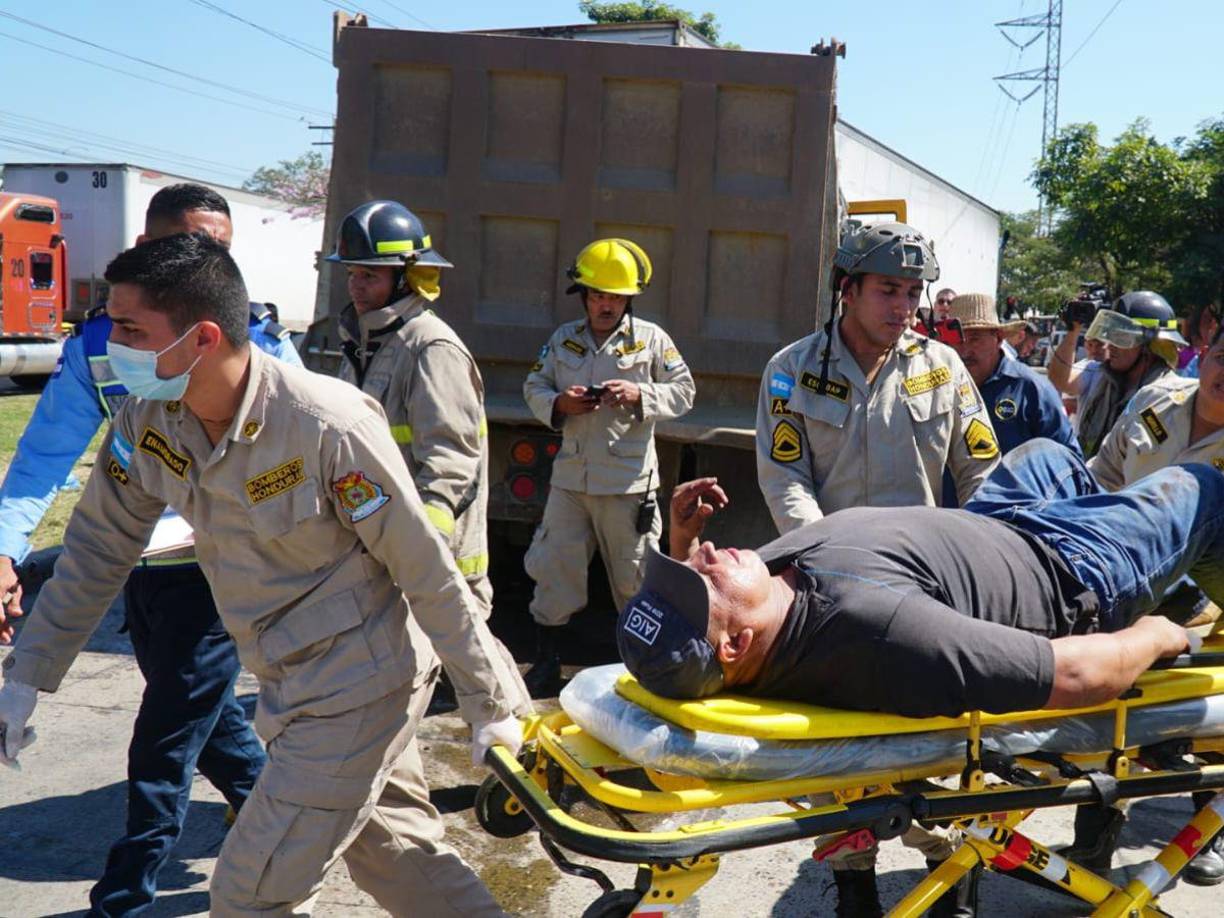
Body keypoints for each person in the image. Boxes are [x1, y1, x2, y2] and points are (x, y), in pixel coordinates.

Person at [0, 233, 530, 916]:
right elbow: (97, 551)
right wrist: (27, 677)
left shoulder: (324, 426)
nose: (113, 345)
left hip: (362, 679)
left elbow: (426, 568)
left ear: (201, 337)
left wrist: (491, 702)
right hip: (286, 678)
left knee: (250, 894)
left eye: (130, 329)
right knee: (399, 858)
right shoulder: (149, 419)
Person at [0, 183, 301, 916]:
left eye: (220, 248)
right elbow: (43, 459)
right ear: (147, 247)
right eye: (191, 243)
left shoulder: (259, 343)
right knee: (199, 709)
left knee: (164, 736)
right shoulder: (101, 348)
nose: (208, 261)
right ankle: (274, 808)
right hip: (141, 565)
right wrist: (4, 550)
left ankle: (125, 896)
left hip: (225, 572)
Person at [522, 238, 695, 697]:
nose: (605, 305)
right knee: (554, 571)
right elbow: (534, 386)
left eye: (615, 298)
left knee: (635, 581)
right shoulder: (564, 339)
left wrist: (642, 395)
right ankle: (546, 662)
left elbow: (684, 392)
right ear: (584, 296)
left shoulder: (652, 340)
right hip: (571, 483)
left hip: (627, 485)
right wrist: (559, 403)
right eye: (598, 295)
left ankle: (638, 669)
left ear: (628, 300)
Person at [756, 223, 999, 535]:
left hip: (918, 556)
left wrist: (974, 542)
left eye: (913, 293)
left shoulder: (944, 366)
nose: (904, 308)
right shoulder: (791, 370)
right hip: (829, 554)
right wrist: (822, 550)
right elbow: (785, 479)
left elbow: (980, 470)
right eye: (888, 291)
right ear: (848, 291)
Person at [945, 294, 1076, 457]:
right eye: (957, 340)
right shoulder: (941, 388)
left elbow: (1068, 458)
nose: (964, 351)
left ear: (998, 339)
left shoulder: (1031, 388)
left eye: (974, 339)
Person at [1073, 292, 1187, 458]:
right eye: (1111, 336)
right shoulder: (1107, 385)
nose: (1109, 346)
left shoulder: (1163, 400)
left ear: (1150, 348)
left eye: (1121, 339)